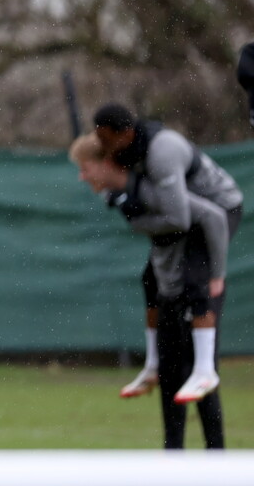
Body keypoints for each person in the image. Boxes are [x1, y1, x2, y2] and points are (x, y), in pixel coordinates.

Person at [70, 132, 232, 449]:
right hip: (167, 282)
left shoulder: (152, 188)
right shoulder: (121, 194)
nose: (82, 176)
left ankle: (218, 460)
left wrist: (216, 276)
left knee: (197, 375)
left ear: (105, 163)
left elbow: (213, 217)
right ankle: (173, 457)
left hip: (195, 281)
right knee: (172, 376)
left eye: (85, 167)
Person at [92, 103, 242, 405]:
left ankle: (205, 370)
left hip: (218, 213)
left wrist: (218, 274)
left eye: (105, 139)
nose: (102, 147)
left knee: (196, 282)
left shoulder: (162, 152)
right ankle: (153, 364)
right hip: (189, 216)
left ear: (124, 134)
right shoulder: (128, 155)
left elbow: (181, 219)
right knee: (150, 280)